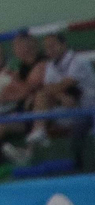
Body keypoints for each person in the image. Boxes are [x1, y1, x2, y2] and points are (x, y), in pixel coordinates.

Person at [19, 31, 95, 167]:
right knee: (38, 101)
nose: (50, 50)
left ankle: (34, 146)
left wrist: (51, 92)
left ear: (63, 45)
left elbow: (62, 85)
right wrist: (60, 96)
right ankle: (32, 146)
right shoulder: (51, 64)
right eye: (47, 47)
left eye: (53, 46)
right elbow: (48, 88)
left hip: (88, 111)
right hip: (67, 107)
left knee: (41, 98)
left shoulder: (78, 61)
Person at [0, 31, 47, 166]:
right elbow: (9, 93)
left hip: (31, 115)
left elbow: (22, 92)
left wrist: (15, 83)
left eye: (17, 46)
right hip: (20, 112)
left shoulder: (39, 64)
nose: (14, 50)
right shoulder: (21, 68)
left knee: (1, 124)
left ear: (27, 47)